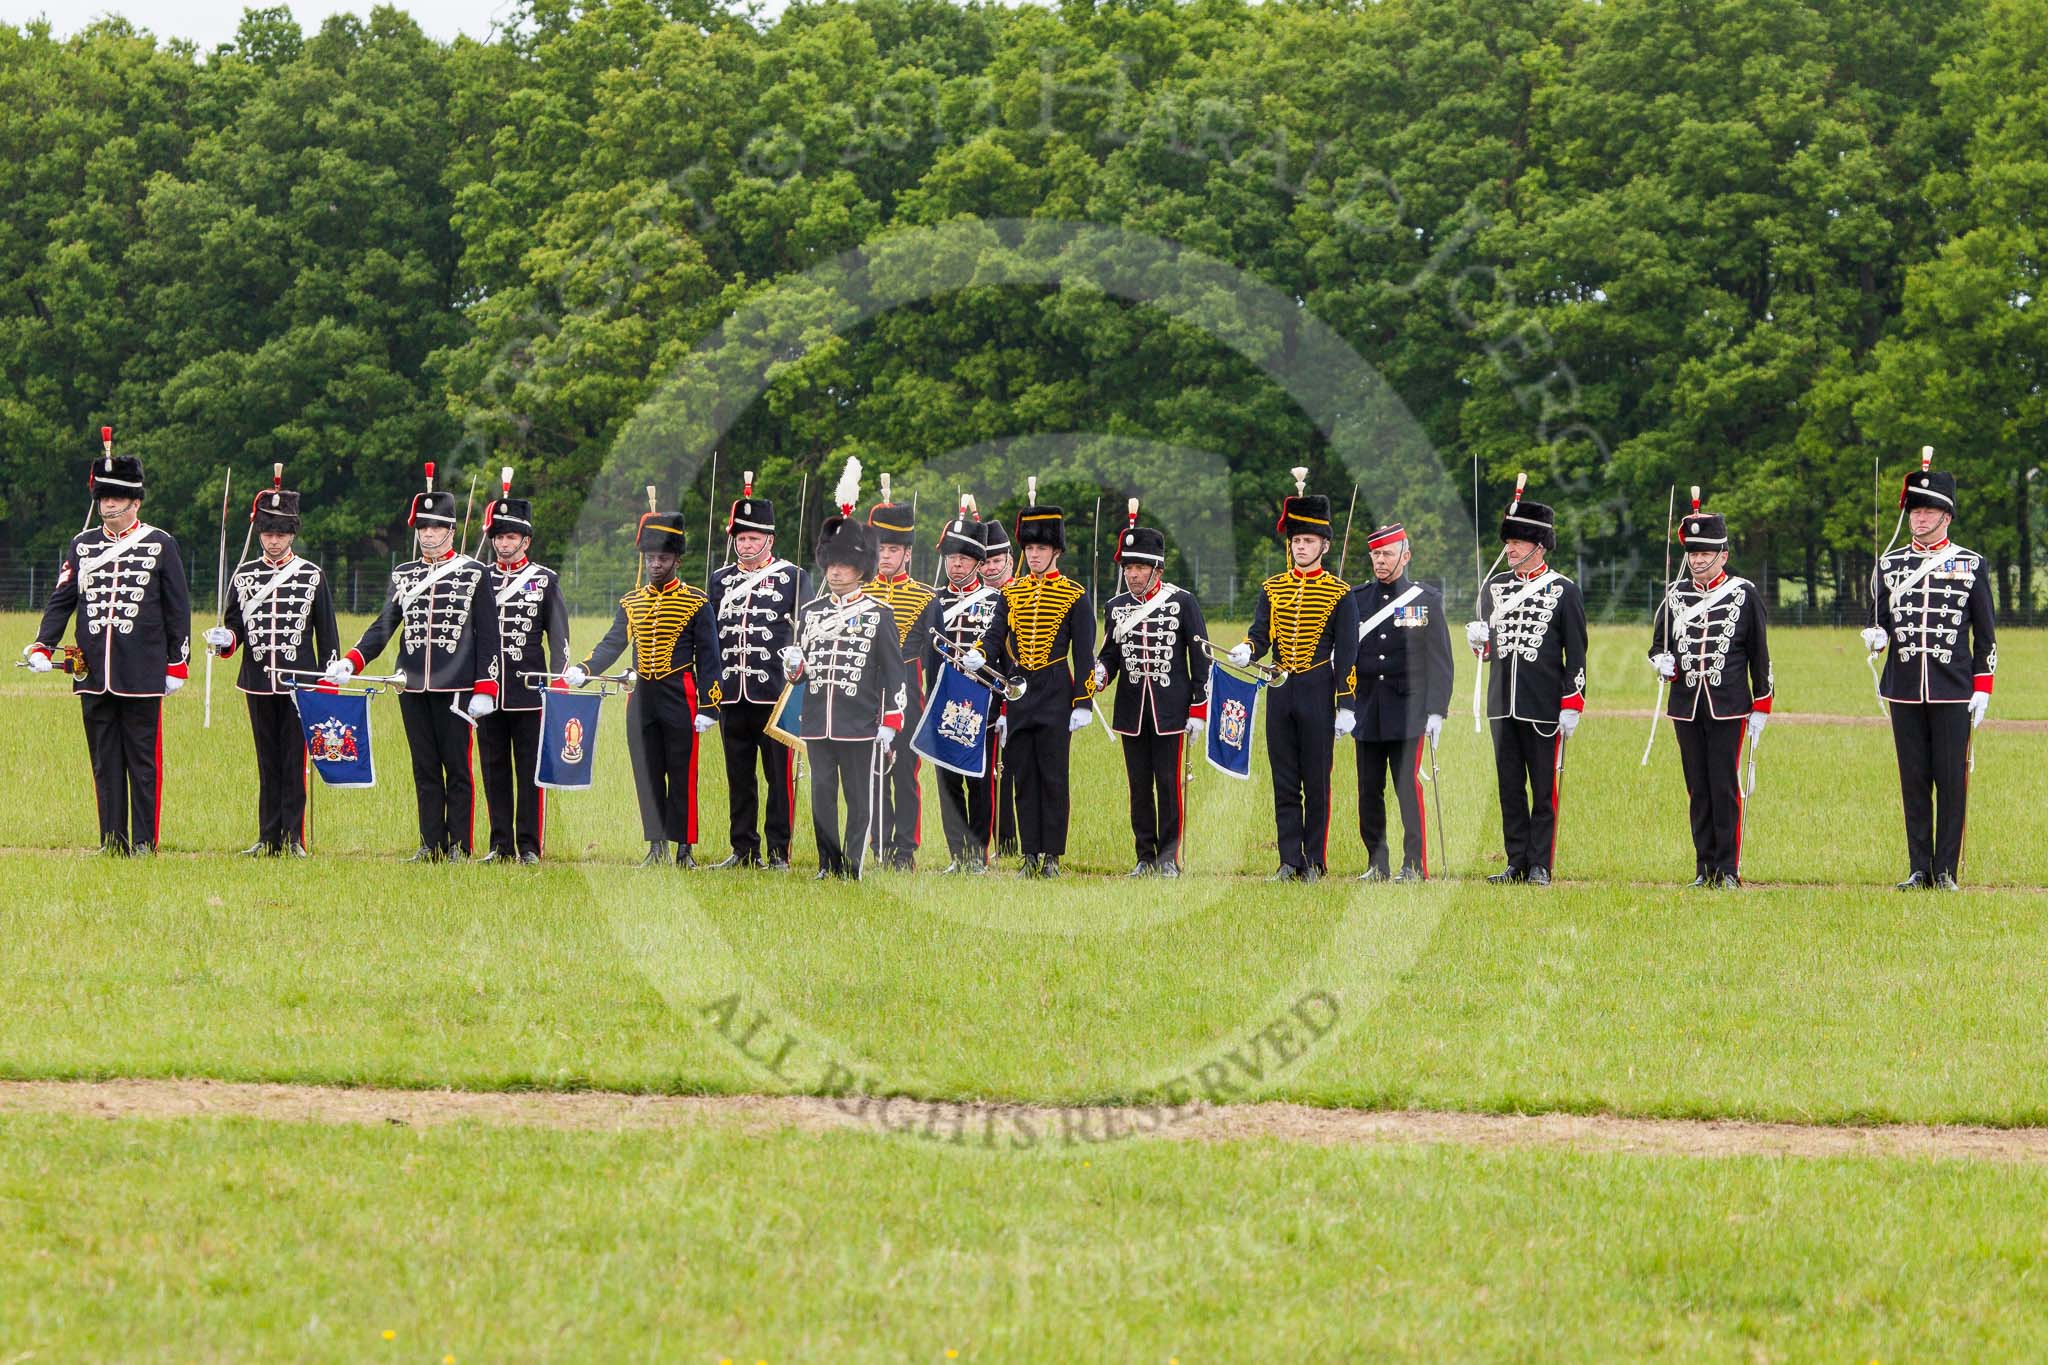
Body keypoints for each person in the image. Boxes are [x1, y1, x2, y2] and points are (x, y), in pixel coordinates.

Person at [25, 432, 191, 854]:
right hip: (94, 670)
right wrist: (43, 644)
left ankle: (144, 842)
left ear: (135, 502)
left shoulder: (160, 543)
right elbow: (62, 600)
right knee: (104, 761)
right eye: (104, 497)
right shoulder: (82, 545)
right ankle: (112, 840)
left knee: (143, 762)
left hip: (142, 671)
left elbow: (178, 609)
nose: (109, 505)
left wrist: (177, 662)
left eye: (117, 497)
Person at [326, 464, 501, 861]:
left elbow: (489, 637)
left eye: (435, 528)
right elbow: (384, 626)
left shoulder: (474, 573)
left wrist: (486, 687)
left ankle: (459, 845)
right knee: (424, 767)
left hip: (456, 687)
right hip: (411, 684)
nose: (428, 534)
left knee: (457, 769)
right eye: (422, 528)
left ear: (451, 530)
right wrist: (353, 661)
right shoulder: (404, 574)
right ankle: (430, 843)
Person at [1861, 454, 1996, 890]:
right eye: (1915, 511)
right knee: (1914, 781)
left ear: (1946, 516)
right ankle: (1919, 868)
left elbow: (1986, 634)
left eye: (1927, 511)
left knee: (1951, 782)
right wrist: (1876, 637)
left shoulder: (1970, 564)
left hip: (1953, 689)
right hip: (1904, 687)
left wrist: (1983, 686)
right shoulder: (1890, 565)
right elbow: (1879, 621)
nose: (1918, 518)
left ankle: (1946, 871)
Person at [567, 507, 721, 868]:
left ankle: (684, 848)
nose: (655, 564)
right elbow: (612, 643)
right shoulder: (631, 602)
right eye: (650, 557)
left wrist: (710, 706)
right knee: (647, 772)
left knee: (682, 774)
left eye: (662, 558)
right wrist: (585, 669)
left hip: (680, 694)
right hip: (641, 698)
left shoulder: (696, 602)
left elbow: (709, 658)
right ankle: (655, 845)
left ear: (677, 560)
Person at [1226, 468, 1358, 883]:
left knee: (1316, 781)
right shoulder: (1272, 587)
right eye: (1297, 540)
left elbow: (1348, 653)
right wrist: (1248, 649)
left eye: (1309, 541)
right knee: (1284, 779)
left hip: (1319, 688)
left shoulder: (1340, 593)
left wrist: (1346, 703)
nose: (1301, 546)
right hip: (1280, 688)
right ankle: (1288, 859)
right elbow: (1260, 635)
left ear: (1324, 545)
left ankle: (1315, 859)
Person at [780, 459, 907, 880]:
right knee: (821, 795)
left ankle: (852, 864)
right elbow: (802, 673)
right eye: (831, 563)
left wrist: (891, 721)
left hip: (860, 722)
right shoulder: (812, 612)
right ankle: (826, 862)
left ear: (860, 568)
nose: (836, 571)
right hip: (818, 721)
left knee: (858, 797)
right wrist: (794, 667)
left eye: (844, 565)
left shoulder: (878, 613)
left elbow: (894, 674)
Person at [962, 479, 1095, 878]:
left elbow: (1084, 654)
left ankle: (1052, 855)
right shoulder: (1011, 593)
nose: (1034, 555)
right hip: (1018, 689)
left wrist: (1083, 702)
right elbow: (995, 634)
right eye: (1029, 548)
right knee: (1022, 775)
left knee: (1053, 776)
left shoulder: (1075, 594)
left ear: (1055, 551)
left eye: (1041, 548)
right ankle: (1030, 853)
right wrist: (979, 653)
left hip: (1055, 689)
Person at [204, 469, 338, 857]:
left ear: (292, 534)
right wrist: (225, 639)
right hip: (258, 680)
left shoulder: (311, 575)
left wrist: (327, 683)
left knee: (295, 761)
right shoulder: (244, 575)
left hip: (300, 681)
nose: (273, 540)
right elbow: (236, 627)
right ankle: (268, 836)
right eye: (267, 532)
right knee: (267, 762)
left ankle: (293, 837)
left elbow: (327, 632)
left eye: (280, 533)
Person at [1647, 490, 1772, 889]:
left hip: (1729, 705)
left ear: (1723, 555)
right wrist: (1660, 662)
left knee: (1724, 786)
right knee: (1697, 788)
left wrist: (1762, 704)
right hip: (1686, 705)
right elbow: (1658, 645)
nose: (1698, 560)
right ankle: (1704, 867)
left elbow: (1759, 654)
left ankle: (1728, 868)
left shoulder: (1743, 593)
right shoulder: (1675, 596)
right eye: (1693, 553)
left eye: (1706, 553)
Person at [1466, 478, 1587, 887]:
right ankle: (1516, 860)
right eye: (1509, 542)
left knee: (1543, 788)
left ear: (1539, 545)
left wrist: (1572, 701)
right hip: (1502, 703)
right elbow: (1489, 652)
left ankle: (1540, 864)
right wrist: (1478, 642)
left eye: (1518, 542)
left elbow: (1577, 653)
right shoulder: (1495, 587)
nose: (1510, 550)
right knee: (1509, 787)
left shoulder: (1564, 590)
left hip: (1543, 704)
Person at [1095, 500, 1207, 878]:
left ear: (1157, 569)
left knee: (1168, 785)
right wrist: (1100, 673)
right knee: (1139, 786)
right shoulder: (1115, 607)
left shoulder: (1182, 602)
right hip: (1132, 709)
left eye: (1140, 567)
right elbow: (1110, 655)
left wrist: (1198, 709)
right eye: (1128, 567)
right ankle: (1144, 855)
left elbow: (1200, 658)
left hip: (1170, 710)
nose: (1132, 574)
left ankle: (1168, 858)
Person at [705, 472, 808, 870]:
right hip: (733, 692)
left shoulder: (792, 576)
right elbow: (711, 637)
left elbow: (808, 631)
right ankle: (744, 849)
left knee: (779, 779)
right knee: (739, 776)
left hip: (776, 695)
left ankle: (779, 851)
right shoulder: (720, 580)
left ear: (770, 539)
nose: (745, 545)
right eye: (741, 538)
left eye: (752, 538)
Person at [1347, 522, 1452, 882]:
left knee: (1407, 787)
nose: (1380, 560)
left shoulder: (1425, 600)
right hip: (1367, 709)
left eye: (1387, 553)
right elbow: (1346, 655)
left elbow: (1440, 660)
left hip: (1409, 710)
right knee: (1368, 791)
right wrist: (1344, 704)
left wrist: (1437, 710)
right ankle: (1377, 863)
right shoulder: (1357, 598)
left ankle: (1414, 863)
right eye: (1375, 554)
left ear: (1405, 556)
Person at [475, 476, 570, 865]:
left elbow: (559, 639)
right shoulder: (480, 578)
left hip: (529, 692)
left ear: (526, 541)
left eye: (511, 536)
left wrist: (559, 686)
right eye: (498, 536)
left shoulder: (544, 580)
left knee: (530, 772)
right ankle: (500, 844)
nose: (503, 543)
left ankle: (529, 845)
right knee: (493, 769)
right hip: (487, 691)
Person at [863, 476, 941, 870]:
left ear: (907, 553)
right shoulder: (860, 593)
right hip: (866, 690)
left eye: (892, 549)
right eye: (880, 548)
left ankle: (905, 849)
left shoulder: (926, 597)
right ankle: (878, 843)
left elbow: (934, 659)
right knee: (872, 770)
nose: (885, 556)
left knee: (906, 772)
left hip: (908, 691)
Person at [924, 498, 1001, 873]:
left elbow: (1006, 656)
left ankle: (978, 855)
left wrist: (1004, 707)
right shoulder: (932, 600)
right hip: (943, 701)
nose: (955, 564)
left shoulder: (996, 601)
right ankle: (958, 855)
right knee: (948, 783)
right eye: (951, 557)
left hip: (982, 702)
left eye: (963, 558)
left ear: (978, 563)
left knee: (979, 781)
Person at [977, 516, 1021, 859]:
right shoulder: (975, 599)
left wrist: (1009, 705)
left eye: (997, 561)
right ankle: (1000, 843)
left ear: (1010, 559)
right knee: (990, 773)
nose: (991, 568)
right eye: (985, 562)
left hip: (1019, 696)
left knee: (1016, 774)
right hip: (982, 696)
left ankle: (1014, 843)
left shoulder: (1022, 596)